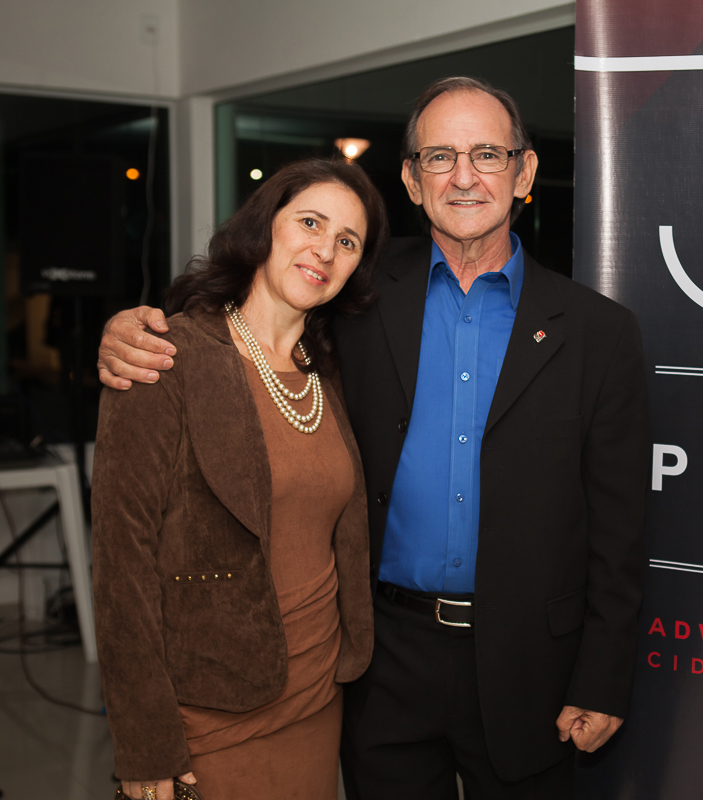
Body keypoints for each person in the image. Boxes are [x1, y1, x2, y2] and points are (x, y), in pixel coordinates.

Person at [98, 77, 651, 799]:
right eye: (440, 156)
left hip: (529, 665)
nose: (463, 176)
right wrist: (127, 329)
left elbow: (619, 528)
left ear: (525, 172)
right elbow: (245, 325)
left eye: (487, 154)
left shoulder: (600, 333)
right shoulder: (351, 294)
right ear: (412, 182)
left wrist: (603, 677)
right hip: (376, 659)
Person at [92, 157, 389, 800]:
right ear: (264, 226)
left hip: (318, 699)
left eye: (348, 241)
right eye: (310, 222)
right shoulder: (166, 356)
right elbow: (121, 566)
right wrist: (144, 742)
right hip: (210, 716)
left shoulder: (330, 369)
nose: (325, 249)